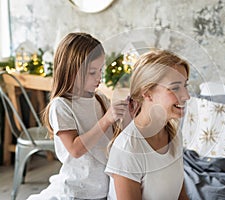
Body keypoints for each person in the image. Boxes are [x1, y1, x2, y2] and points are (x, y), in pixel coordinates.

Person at [27, 32, 128, 200]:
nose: (99, 78)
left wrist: (127, 116)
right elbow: (75, 149)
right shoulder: (61, 106)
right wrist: (106, 120)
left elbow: (113, 137)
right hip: (78, 191)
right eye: (92, 72)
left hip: (104, 188)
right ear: (71, 71)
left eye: (101, 70)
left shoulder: (100, 99)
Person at [105, 49, 191, 200]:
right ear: (147, 93)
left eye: (185, 86)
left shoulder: (174, 134)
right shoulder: (127, 149)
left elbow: (181, 194)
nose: (186, 96)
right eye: (175, 88)